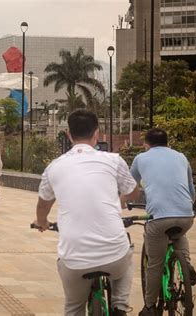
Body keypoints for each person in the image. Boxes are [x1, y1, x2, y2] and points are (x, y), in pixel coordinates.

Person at [34, 110, 140, 316]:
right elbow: (133, 192)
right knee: (127, 254)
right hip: (114, 257)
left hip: (74, 261)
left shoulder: (54, 167)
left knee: (73, 307)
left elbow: (43, 206)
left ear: (68, 134)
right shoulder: (114, 160)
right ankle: (120, 306)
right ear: (97, 134)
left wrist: (42, 222)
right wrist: (122, 200)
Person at [130, 128, 196, 316]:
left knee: (155, 264)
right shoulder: (181, 157)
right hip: (186, 215)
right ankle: (186, 264)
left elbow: (129, 186)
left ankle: (150, 307)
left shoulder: (141, 159)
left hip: (159, 218)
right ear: (167, 143)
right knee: (179, 233)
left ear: (146, 144)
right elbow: (192, 191)